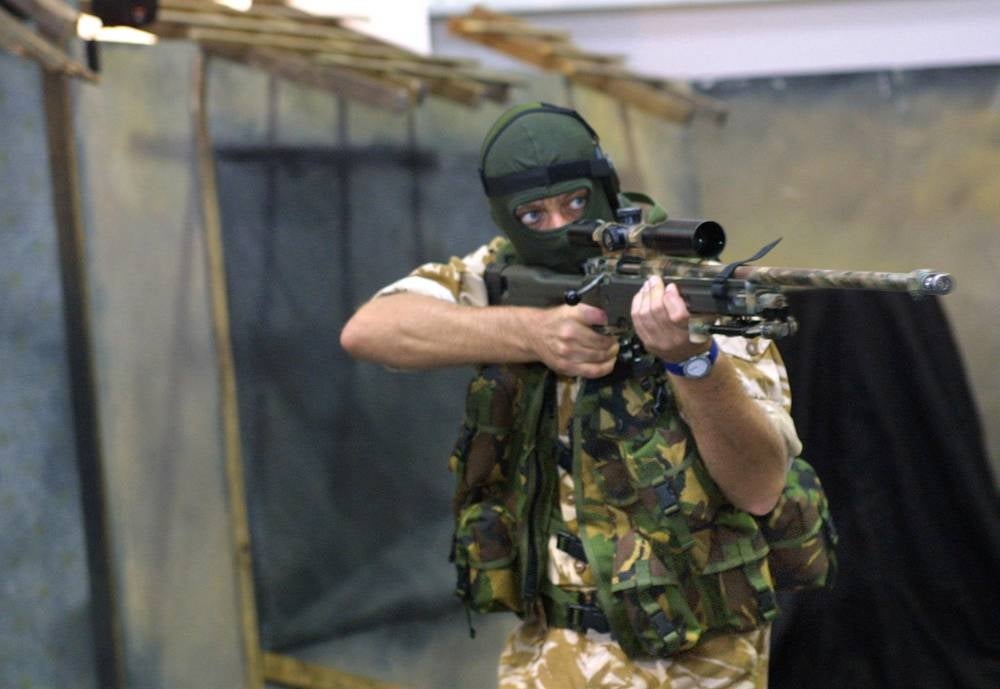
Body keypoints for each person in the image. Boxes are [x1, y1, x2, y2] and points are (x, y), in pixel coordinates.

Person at [341, 102, 830, 688]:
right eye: (533, 214)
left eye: (575, 203)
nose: (557, 226)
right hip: (546, 646)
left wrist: (690, 360)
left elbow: (759, 487)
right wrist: (531, 332)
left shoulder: (692, 288)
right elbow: (369, 329)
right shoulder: (499, 270)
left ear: (604, 187)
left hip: (689, 656)